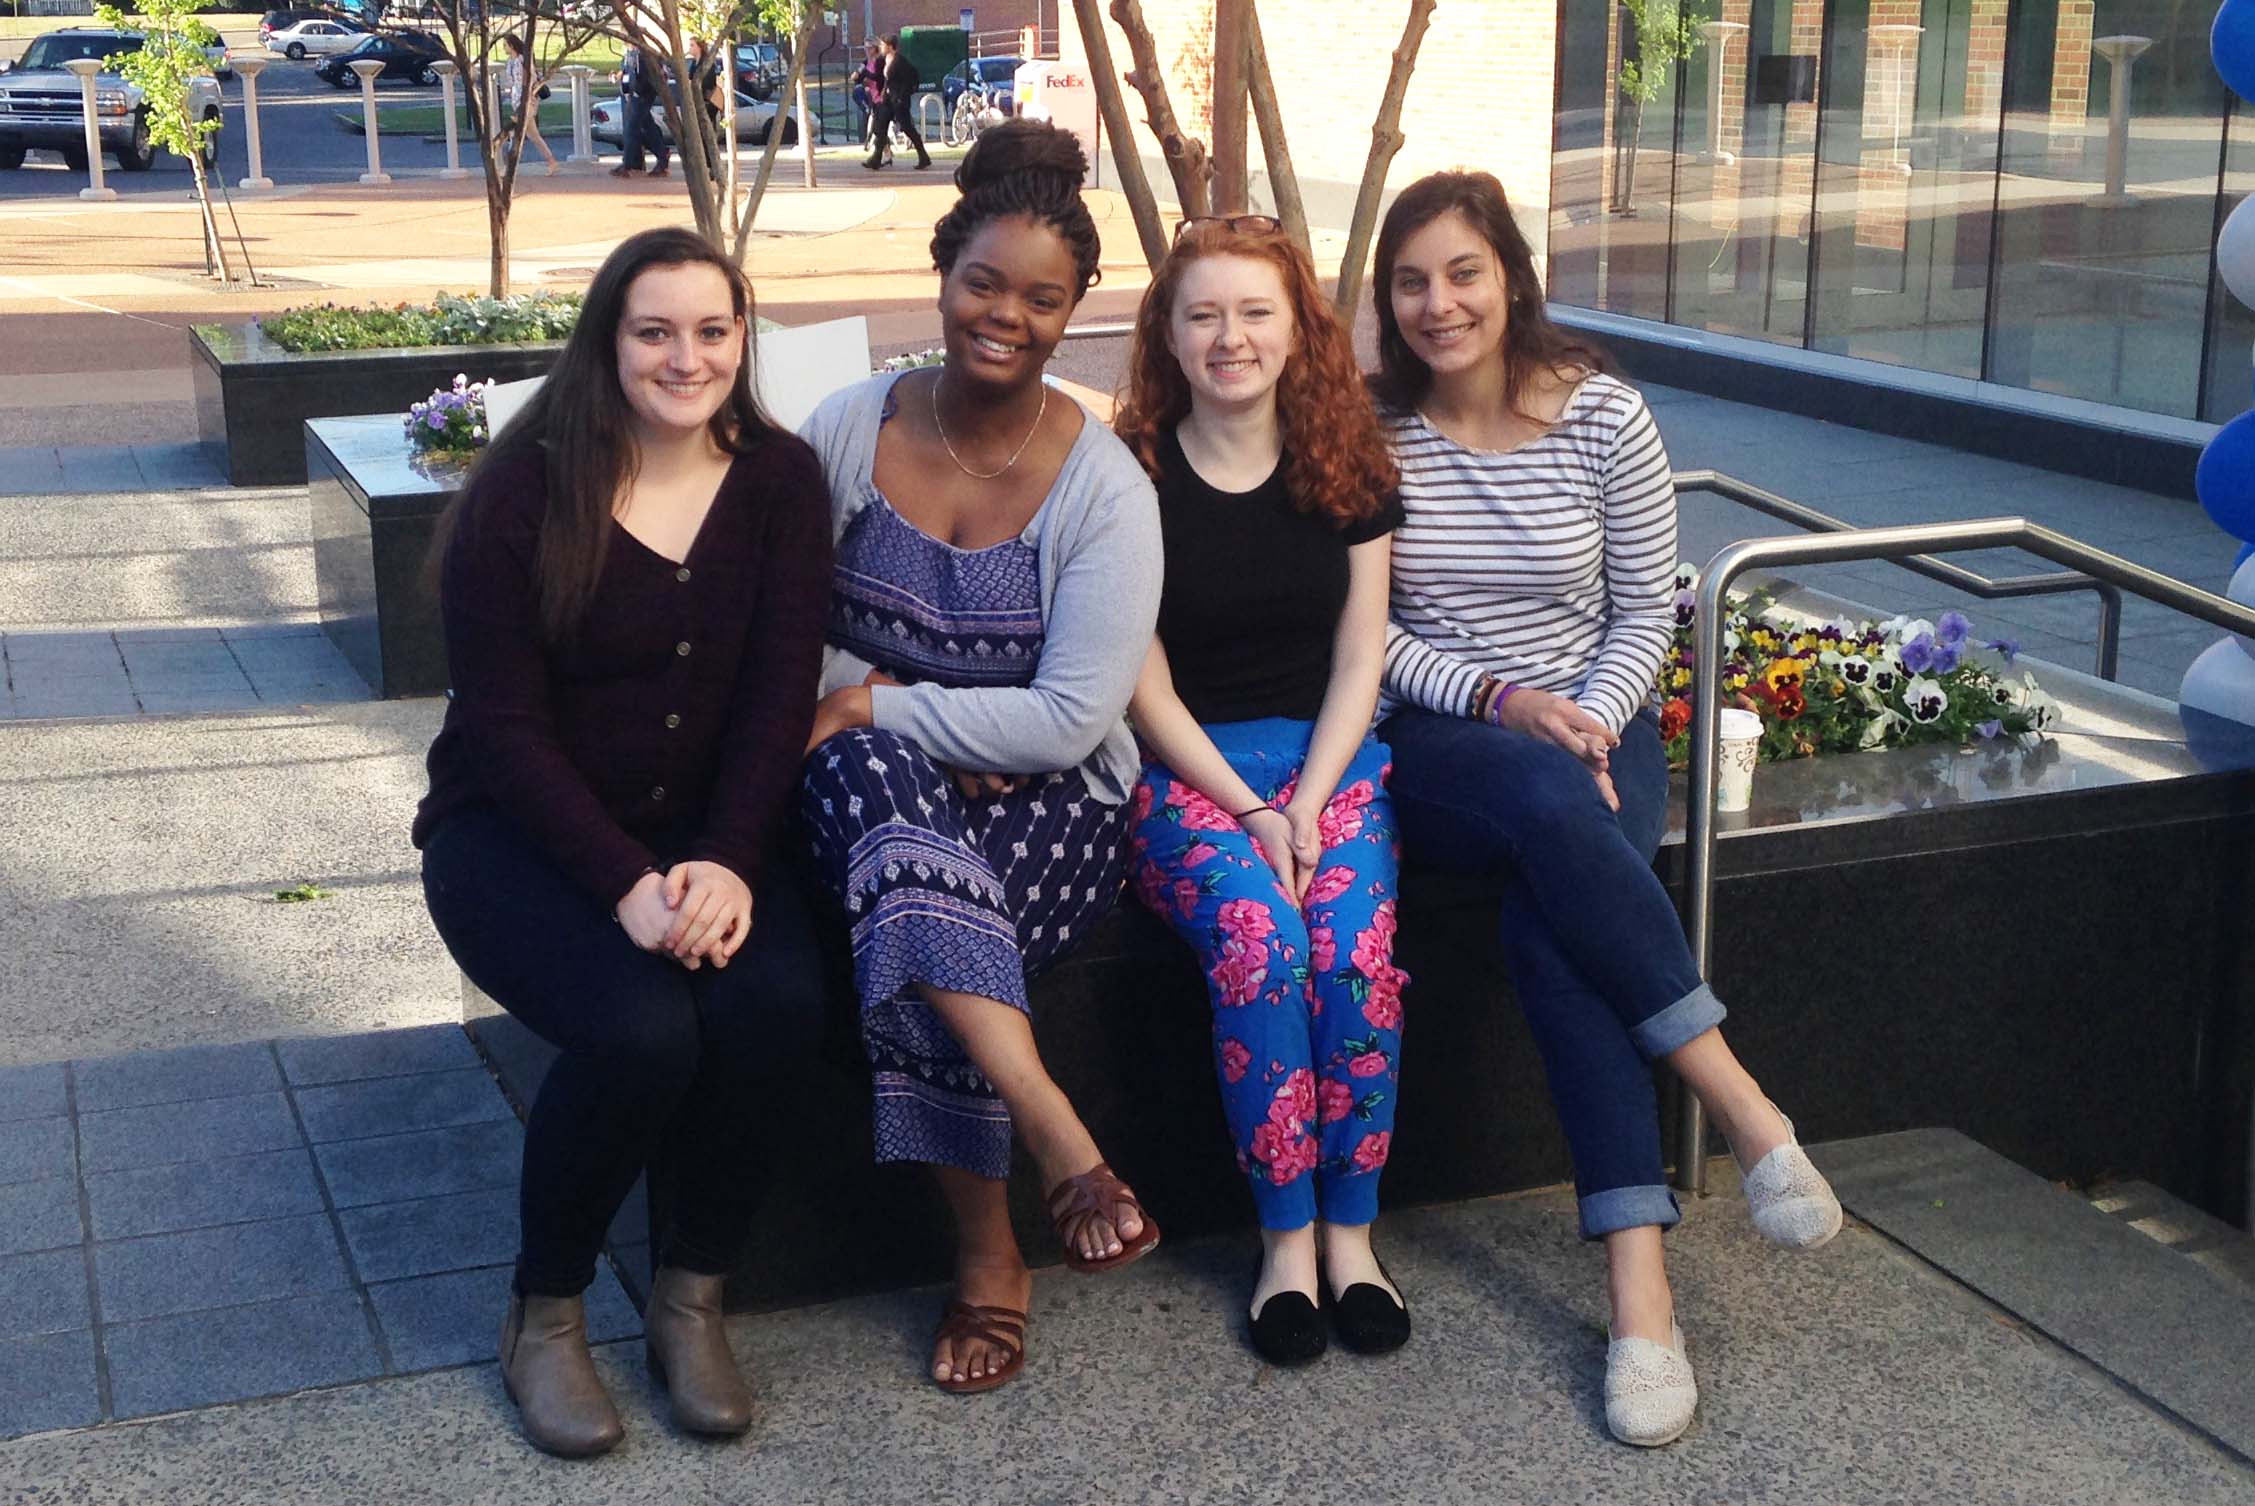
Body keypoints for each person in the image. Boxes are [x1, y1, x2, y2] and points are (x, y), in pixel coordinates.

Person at [1369, 170, 1843, 1447]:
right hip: (1444, 730)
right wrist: (1506, 701)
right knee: (1532, 796)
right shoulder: (1371, 433)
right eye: (1410, 280)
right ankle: (1741, 1105)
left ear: (1508, 277)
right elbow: (1374, 638)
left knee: (1547, 926)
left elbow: (1648, 608)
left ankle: (1642, 1296)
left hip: (1599, 721)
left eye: (1461, 272)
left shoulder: (1602, 415)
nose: (1437, 303)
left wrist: (1583, 717)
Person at [413, 227, 832, 1457]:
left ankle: (689, 1295)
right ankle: (544, 1315)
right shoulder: (523, 492)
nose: (684, 356)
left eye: (711, 330)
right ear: (608, 339)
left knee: (771, 1011)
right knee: (640, 1032)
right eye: (654, 330)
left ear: (742, 339)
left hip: (706, 838)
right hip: (520, 838)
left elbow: (774, 696)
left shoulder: (779, 482)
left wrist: (725, 861)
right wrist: (624, 888)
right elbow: (501, 729)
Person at [797, 120, 1159, 1394]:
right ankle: (1059, 1141)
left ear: (1073, 313)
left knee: (913, 872)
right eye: (982, 283)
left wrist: (874, 706)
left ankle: (988, 1260)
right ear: (943, 276)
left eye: (1041, 299)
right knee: (888, 815)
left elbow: (1066, 722)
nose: (1004, 315)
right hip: (861, 788)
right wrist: (881, 706)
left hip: (1056, 808)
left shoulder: (1104, 488)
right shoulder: (847, 428)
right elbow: (771, 637)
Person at [1114, 215, 1410, 1367]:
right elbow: (1141, 686)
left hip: (1328, 766)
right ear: (1169, 336)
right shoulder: (1129, 472)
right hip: (1190, 774)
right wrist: (1248, 808)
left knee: (1346, 945)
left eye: (1254, 312)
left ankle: (1353, 1236)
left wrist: (1306, 800)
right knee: (1259, 938)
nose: (1229, 337)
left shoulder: (1346, 461)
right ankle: (1283, 1242)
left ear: (1297, 328)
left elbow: (1358, 658)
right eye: (1202, 315)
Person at [862, 32, 928, 172]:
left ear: (890, 46)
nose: (880, 46)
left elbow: (913, 77)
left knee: (907, 128)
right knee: (880, 127)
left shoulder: (900, 62)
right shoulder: (884, 59)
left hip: (898, 101)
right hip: (887, 100)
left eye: (883, 45)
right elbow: (881, 78)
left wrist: (904, 94)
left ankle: (923, 157)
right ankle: (876, 158)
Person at [499, 33, 559, 177]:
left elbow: (532, 78)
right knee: (533, 136)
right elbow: (512, 81)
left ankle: (509, 168)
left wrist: (530, 94)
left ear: (512, 45)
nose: (504, 48)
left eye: (505, 45)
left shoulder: (522, 60)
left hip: (527, 101)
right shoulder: (510, 61)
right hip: (516, 100)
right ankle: (552, 162)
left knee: (514, 134)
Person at [612, 41, 670, 179]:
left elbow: (646, 75)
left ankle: (628, 164)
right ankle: (662, 155)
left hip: (642, 94)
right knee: (647, 126)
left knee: (632, 127)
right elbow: (627, 71)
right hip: (632, 94)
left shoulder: (645, 55)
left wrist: (640, 90)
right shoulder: (629, 55)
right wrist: (618, 77)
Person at [852, 39, 884, 151]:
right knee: (857, 90)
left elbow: (878, 77)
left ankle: (878, 147)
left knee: (877, 124)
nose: (866, 50)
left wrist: (866, 75)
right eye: (865, 47)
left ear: (875, 48)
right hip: (870, 94)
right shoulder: (865, 62)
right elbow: (857, 77)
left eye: (869, 47)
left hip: (880, 93)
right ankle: (867, 110)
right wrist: (858, 76)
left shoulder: (880, 61)